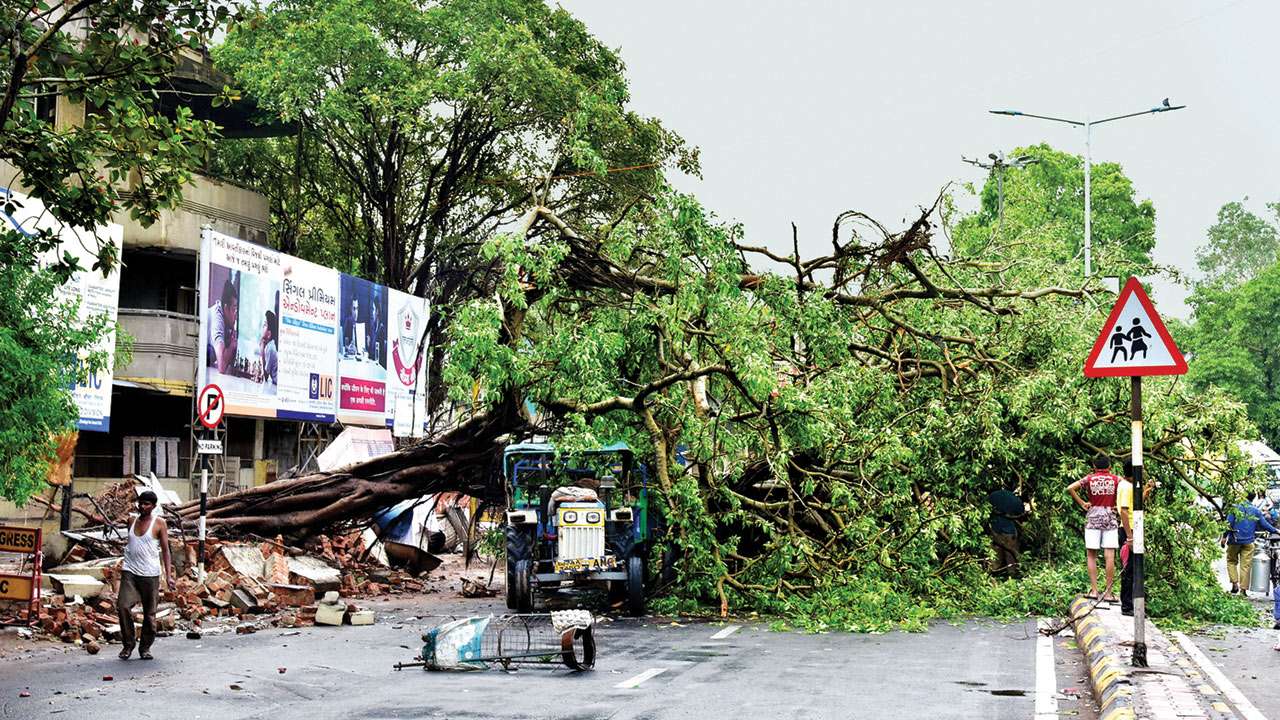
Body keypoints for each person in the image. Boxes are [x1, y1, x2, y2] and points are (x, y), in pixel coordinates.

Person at [113, 491, 175, 660]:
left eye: (146, 504)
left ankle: (145, 647)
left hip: (150, 574)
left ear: (154, 506)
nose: (142, 506)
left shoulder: (160, 523)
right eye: (140, 503)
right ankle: (128, 644)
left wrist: (168, 576)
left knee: (149, 613)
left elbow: (166, 551)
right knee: (123, 606)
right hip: (130, 572)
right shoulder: (131, 521)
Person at [1068, 454, 1122, 602]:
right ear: (1109, 467)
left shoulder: (1089, 479)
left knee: (1091, 555)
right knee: (1109, 555)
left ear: (1094, 467)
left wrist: (1082, 503)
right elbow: (1127, 488)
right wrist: (1118, 505)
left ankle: (1094, 590)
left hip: (1093, 516)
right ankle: (1109, 593)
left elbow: (1070, 488)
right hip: (1110, 516)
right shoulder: (1116, 479)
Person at [1116, 459, 1157, 616]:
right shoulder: (1126, 488)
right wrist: (1130, 537)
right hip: (1129, 530)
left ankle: (1134, 604)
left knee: (1135, 568)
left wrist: (1147, 490)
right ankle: (1127, 606)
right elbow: (1124, 512)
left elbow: (1136, 504)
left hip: (1134, 529)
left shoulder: (1128, 486)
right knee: (1129, 570)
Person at [1223, 492, 1280, 596]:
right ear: (1253, 498)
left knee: (1231, 561)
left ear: (1242, 496)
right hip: (1249, 542)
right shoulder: (1255, 510)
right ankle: (1243, 590)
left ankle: (1235, 583)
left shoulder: (1235, 509)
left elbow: (1228, 524)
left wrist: (1223, 537)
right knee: (1246, 565)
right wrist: (1275, 531)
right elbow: (1264, 524)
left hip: (1234, 541)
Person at [988, 489, 1026, 576]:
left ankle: (992, 574)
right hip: (1009, 532)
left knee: (995, 556)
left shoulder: (993, 497)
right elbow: (1020, 513)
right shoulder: (1014, 501)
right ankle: (1012, 575)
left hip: (995, 530)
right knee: (1011, 556)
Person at [208, 273, 239, 373]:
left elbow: (229, 365)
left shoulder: (227, 324)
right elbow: (222, 367)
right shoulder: (218, 318)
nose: (236, 314)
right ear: (225, 307)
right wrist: (231, 346)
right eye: (234, 308)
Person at [259, 310, 278, 385]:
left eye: (265, 325)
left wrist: (262, 349)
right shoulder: (270, 345)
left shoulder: (270, 348)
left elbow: (265, 376)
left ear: (269, 334)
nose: (263, 327)